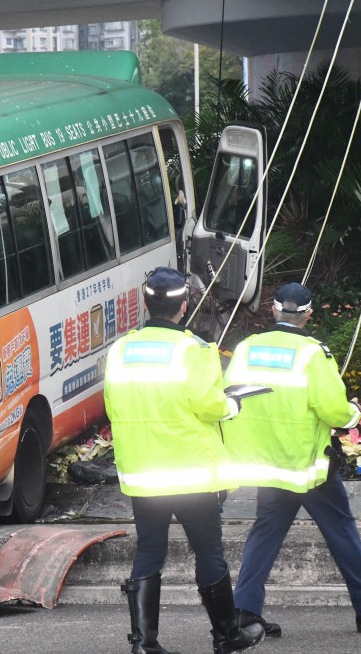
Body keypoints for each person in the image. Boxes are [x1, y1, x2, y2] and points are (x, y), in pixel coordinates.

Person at [222, 282, 361, 637]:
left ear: (272, 311)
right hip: (307, 465)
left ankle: (244, 611)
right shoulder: (313, 353)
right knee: (341, 531)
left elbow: (229, 396)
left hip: (266, 463)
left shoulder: (245, 349)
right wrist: (353, 414)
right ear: (308, 314)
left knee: (265, 534)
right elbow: (333, 410)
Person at [104, 266, 264, 654]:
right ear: (185, 305)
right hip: (192, 474)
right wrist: (232, 403)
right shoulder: (195, 350)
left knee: (149, 552)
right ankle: (227, 637)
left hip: (144, 475)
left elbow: (112, 404)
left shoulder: (120, 350)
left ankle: (144, 643)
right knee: (208, 552)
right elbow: (208, 406)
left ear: (145, 303)